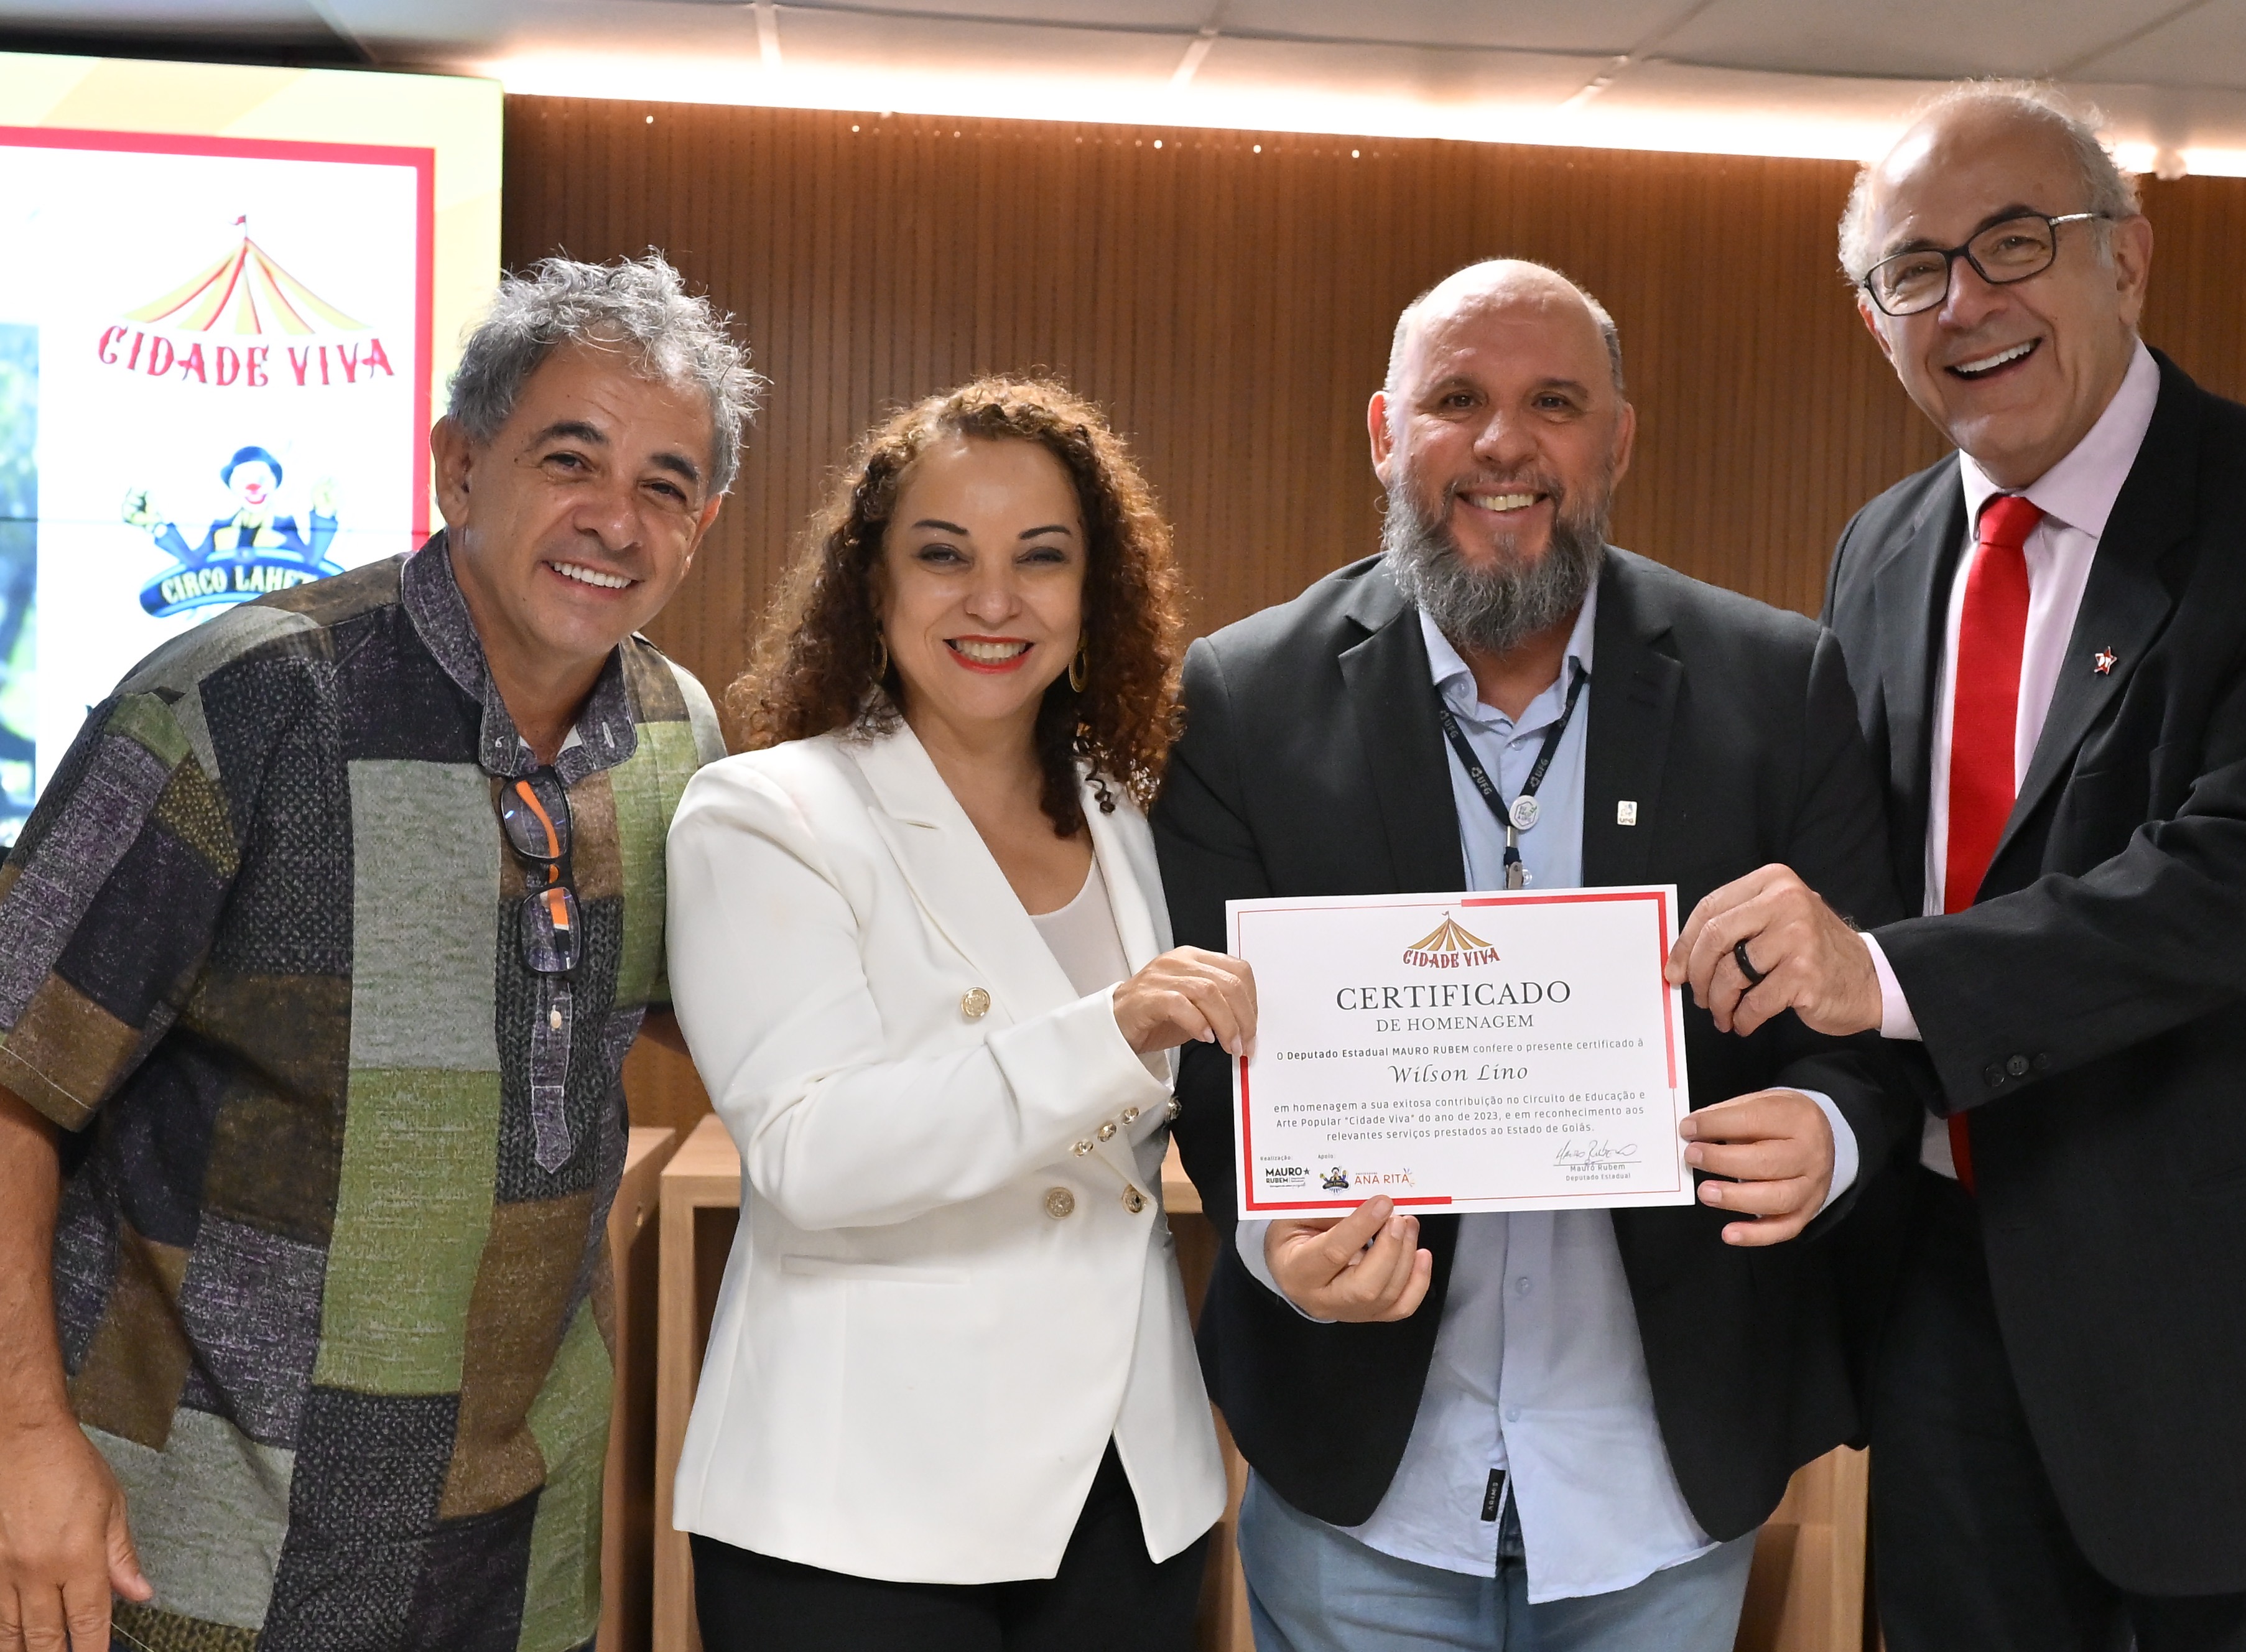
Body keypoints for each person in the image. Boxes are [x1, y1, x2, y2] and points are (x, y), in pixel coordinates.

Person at [1666, 81, 2246, 1650]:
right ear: (1877, 321)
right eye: (1915, 269)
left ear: (2129, 259)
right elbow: (1870, 871)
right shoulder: (1883, 551)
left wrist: (1876, 970)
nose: (1968, 300)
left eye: (2016, 242)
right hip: (1955, 1311)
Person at [1151, 259, 1919, 1652]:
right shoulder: (1242, 700)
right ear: (1385, 432)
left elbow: (1863, 1027)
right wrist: (1277, 1241)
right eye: (1458, 399)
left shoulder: (1778, 686)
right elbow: (1214, 1073)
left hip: (1658, 1491)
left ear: (1616, 439)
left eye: (1554, 403)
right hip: (1361, 1485)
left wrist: (1830, 1133)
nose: (1504, 443)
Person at [0, 251, 756, 1652]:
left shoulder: (677, 736)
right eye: (570, 459)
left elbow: (699, 1022)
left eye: (666, 485)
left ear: (702, 526)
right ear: (459, 468)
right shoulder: (240, 699)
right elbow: (14, 1076)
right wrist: (23, 1441)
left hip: (515, 1554)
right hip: (196, 1539)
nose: (615, 518)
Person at [664, 377, 1248, 1651]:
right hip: (861, 1508)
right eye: (944, 556)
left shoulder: (1126, 809)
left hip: (1127, 1494)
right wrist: (1109, 1031)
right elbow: (811, 1154)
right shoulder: (765, 813)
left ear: (1093, 593)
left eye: (1042, 558)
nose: (995, 600)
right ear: (872, 586)